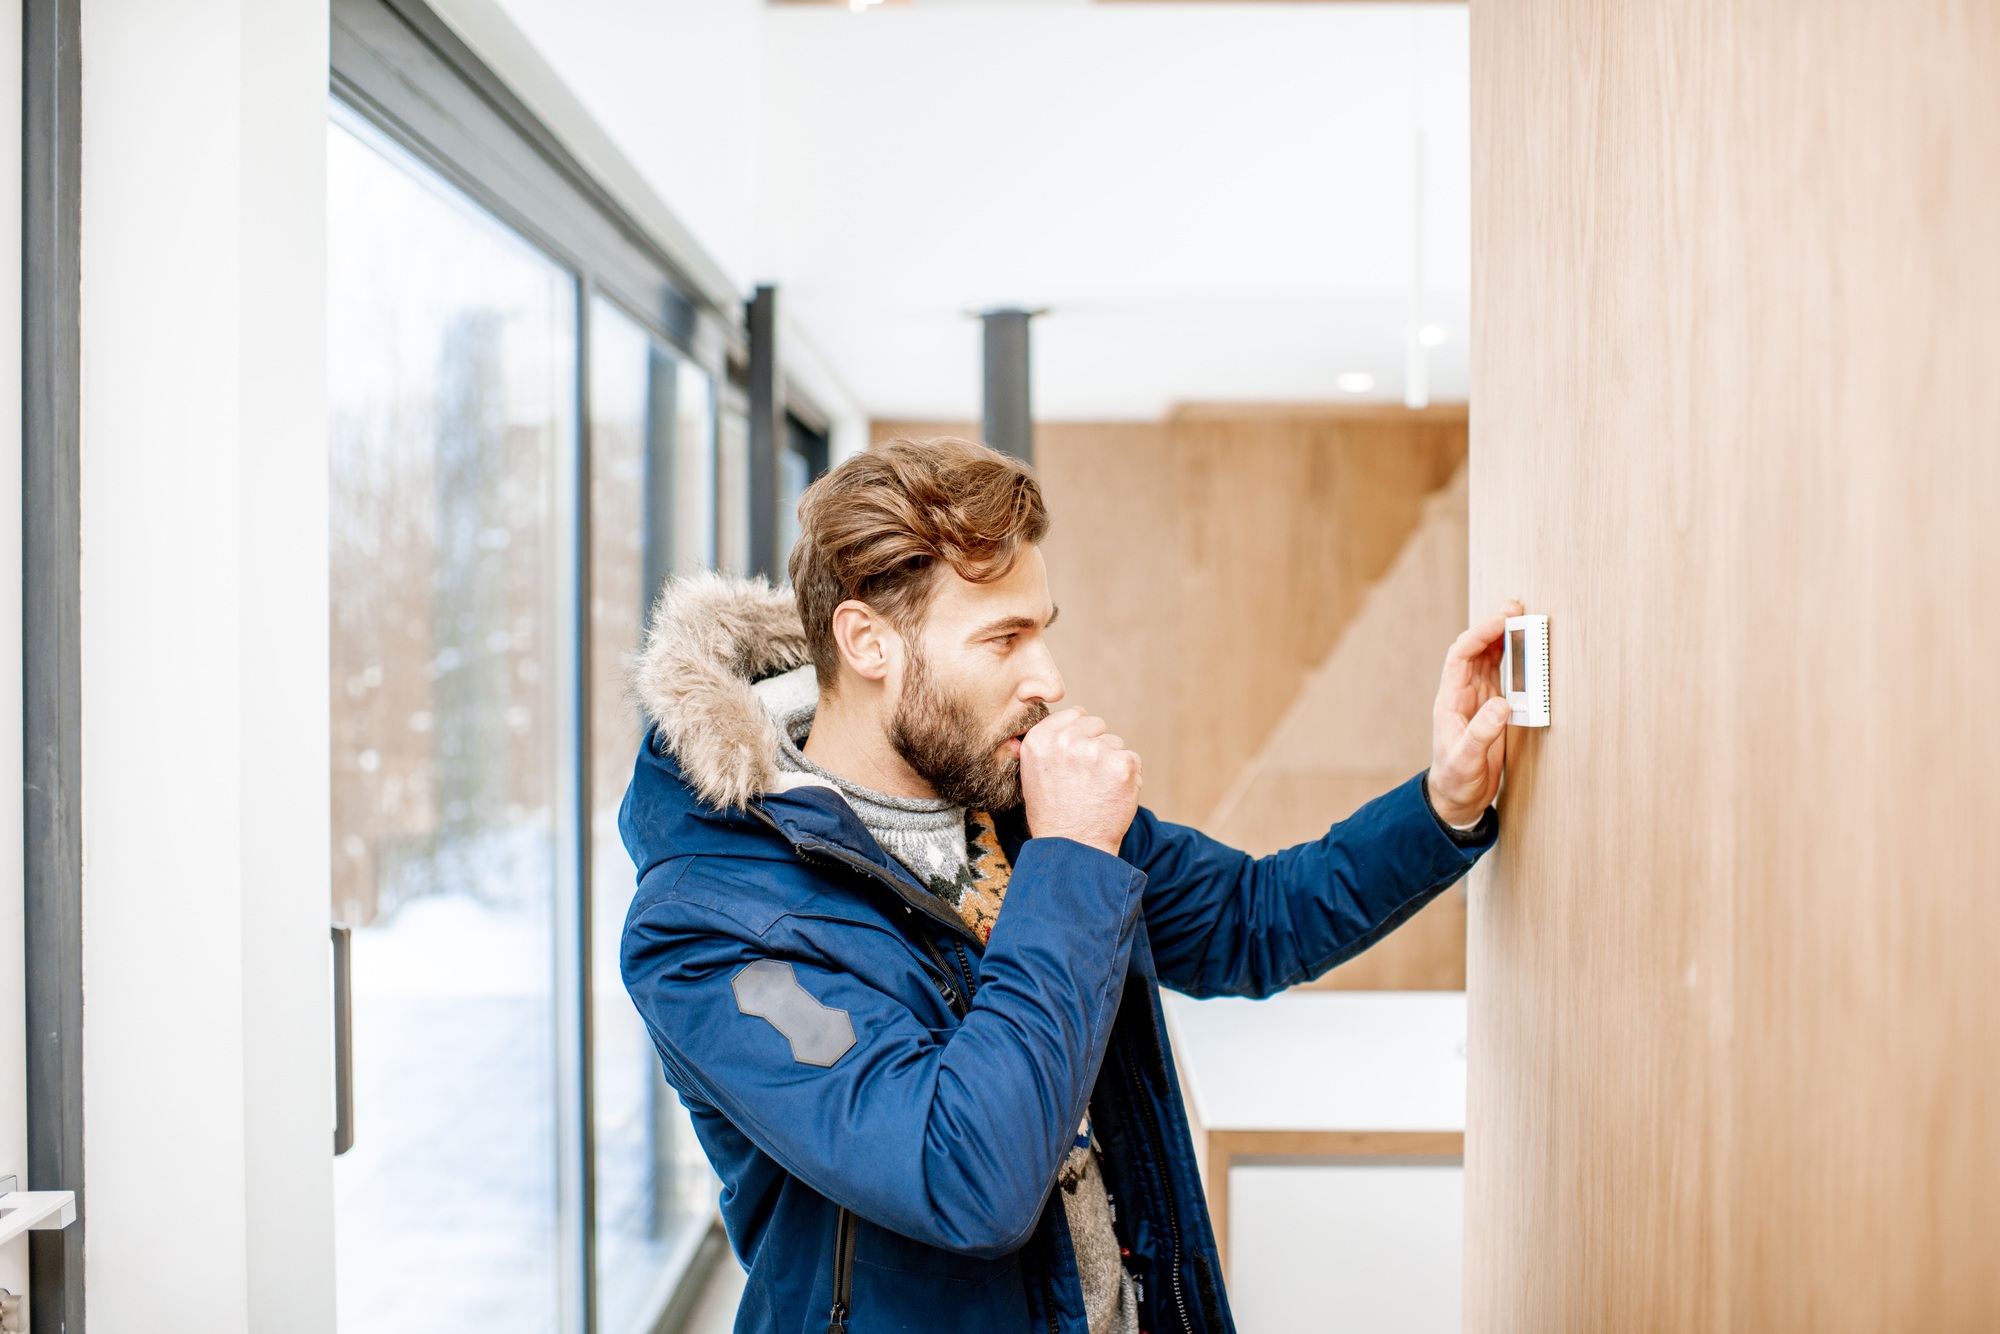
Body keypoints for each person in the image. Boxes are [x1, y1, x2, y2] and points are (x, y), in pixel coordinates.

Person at [619, 437, 1514, 1334]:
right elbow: (965, 1177)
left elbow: (1256, 919)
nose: (1048, 677)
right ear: (866, 642)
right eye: (1003, 638)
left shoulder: (1013, 803)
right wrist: (1073, 861)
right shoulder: (710, 930)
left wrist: (1444, 806)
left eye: (1042, 628)